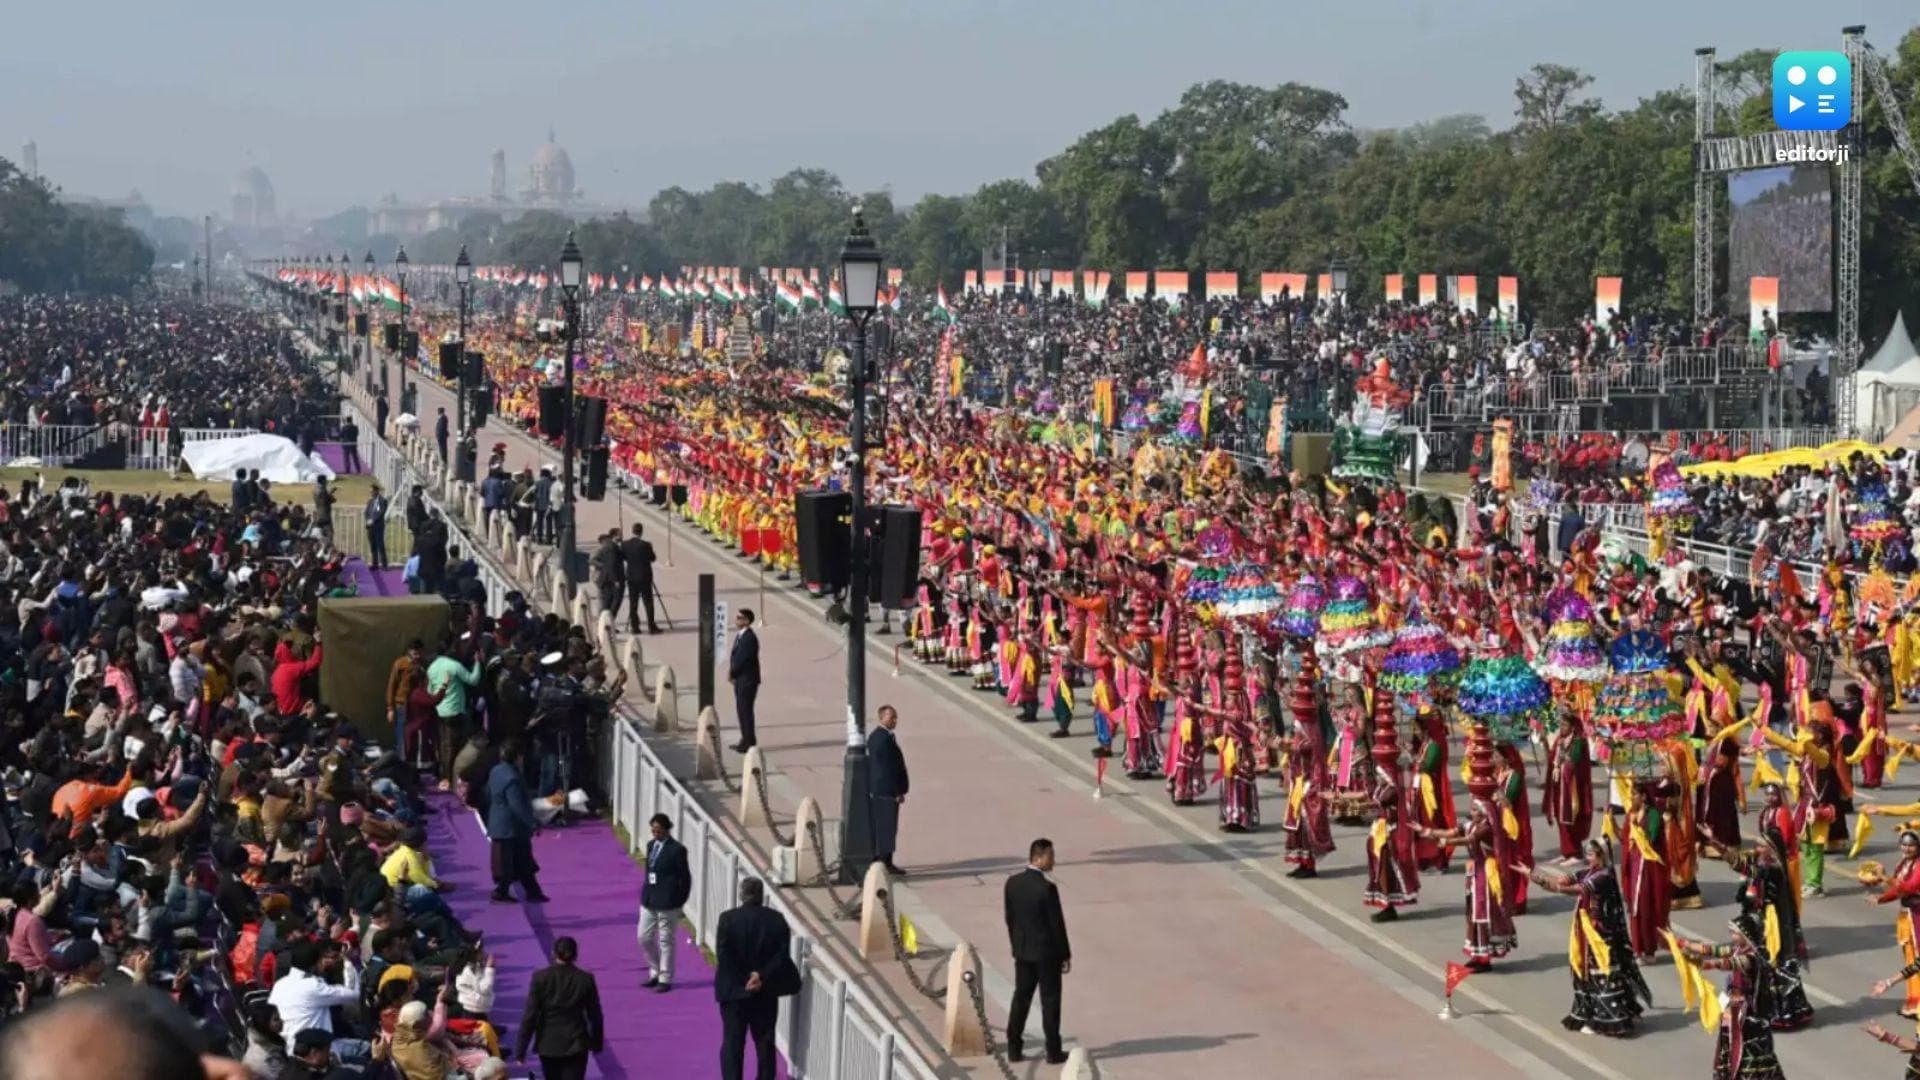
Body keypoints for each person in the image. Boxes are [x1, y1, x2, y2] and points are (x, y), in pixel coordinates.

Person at [714, 877, 797, 1080]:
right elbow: (782, 955)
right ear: (761, 896)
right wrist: (760, 976)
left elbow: (724, 955)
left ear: (741, 894)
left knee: (733, 1043)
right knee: (764, 1043)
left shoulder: (728, 919)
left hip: (734, 990)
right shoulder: (776, 920)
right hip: (765, 991)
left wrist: (745, 978)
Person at [1004, 837, 1071, 1065]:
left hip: (1023, 952)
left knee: (1021, 998)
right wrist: (1064, 954)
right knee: (1050, 1001)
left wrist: (1017, 945)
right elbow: (1056, 924)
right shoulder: (1047, 888)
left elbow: (1010, 919)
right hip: (1046, 954)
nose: (1053, 861)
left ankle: (1013, 1047)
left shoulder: (1012, 883)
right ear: (1039, 857)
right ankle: (1053, 1050)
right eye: (1051, 856)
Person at [515, 937, 603, 1080]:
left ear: (553, 953)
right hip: (576, 1043)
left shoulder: (540, 978)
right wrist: (596, 1043)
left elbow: (530, 1015)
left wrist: (521, 1050)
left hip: (548, 1043)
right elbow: (595, 1015)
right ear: (576, 955)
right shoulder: (585, 979)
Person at [485, 737, 547, 904]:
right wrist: (533, 823)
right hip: (510, 827)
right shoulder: (512, 777)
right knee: (513, 862)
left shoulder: (496, 771)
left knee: (519, 861)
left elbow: (489, 794)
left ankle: (531, 891)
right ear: (518, 757)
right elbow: (517, 805)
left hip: (500, 823)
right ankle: (503, 892)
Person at [638, 813, 692, 992]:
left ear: (667, 829)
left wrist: (680, 901)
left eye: (658, 830)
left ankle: (665, 978)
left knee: (665, 940)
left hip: (668, 902)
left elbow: (685, 878)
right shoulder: (651, 845)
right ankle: (655, 969)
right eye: (653, 830)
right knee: (643, 937)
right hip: (649, 899)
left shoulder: (677, 850)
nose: (655, 833)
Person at [867, 704, 909, 876]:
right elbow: (887, 769)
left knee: (886, 826)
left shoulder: (880, 736)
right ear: (882, 718)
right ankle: (884, 862)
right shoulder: (883, 739)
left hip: (880, 789)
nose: (895, 720)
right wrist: (897, 791)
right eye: (892, 717)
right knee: (887, 826)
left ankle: (884, 859)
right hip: (886, 790)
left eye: (895, 717)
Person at [729, 608, 761, 752]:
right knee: (741, 709)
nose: (737, 620)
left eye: (740, 618)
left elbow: (743, 659)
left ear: (747, 621)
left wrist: (733, 673)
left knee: (745, 710)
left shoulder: (749, 638)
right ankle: (747, 738)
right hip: (741, 679)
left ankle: (748, 741)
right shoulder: (741, 636)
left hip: (747, 680)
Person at [620, 523, 659, 634]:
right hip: (645, 577)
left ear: (632, 531)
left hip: (632, 577)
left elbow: (623, 557)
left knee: (633, 603)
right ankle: (651, 626)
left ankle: (635, 627)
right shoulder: (646, 545)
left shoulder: (625, 544)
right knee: (648, 603)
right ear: (641, 532)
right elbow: (652, 558)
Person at [366, 481, 391, 570]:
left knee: (380, 545)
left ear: (377, 491)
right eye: (370, 491)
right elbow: (367, 512)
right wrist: (368, 520)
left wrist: (373, 520)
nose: (371, 493)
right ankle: (375, 564)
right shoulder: (370, 501)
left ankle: (384, 565)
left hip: (378, 527)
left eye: (372, 491)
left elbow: (381, 512)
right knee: (373, 546)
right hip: (370, 527)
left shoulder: (382, 501)